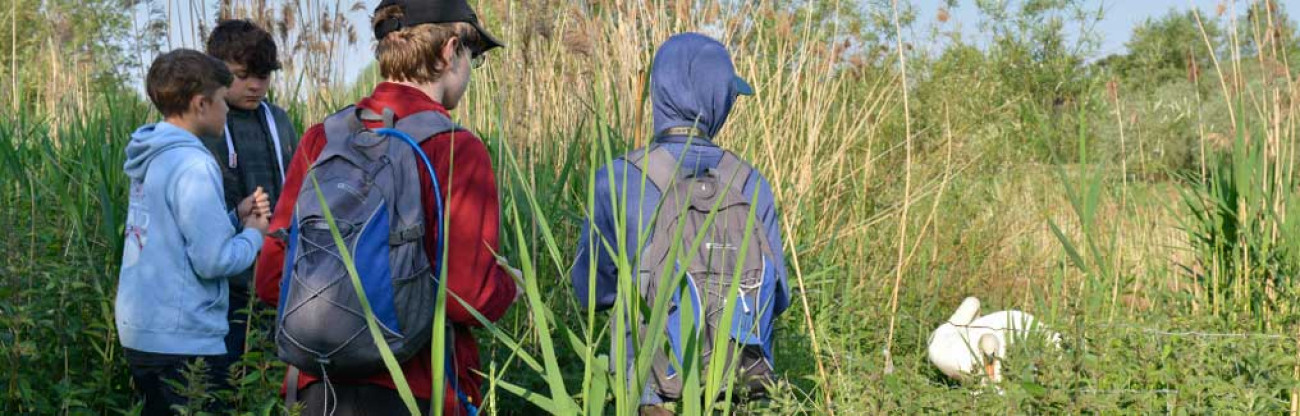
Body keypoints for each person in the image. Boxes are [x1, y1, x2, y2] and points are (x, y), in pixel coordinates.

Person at [253, 0, 518, 414]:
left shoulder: (322, 139)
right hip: (419, 389)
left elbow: (271, 279)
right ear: (450, 50)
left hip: (319, 391)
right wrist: (509, 287)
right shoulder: (455, 147)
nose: (471, 70)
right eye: (474, 56)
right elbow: (467, 296)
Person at [571, 33, 791, 415]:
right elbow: (778, 296)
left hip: (647, 393)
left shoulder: (617, 178)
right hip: (735, 387)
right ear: (717, 99)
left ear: (659, 92)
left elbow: (590, 293)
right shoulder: (751, 183)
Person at [116, 48, 271, 415]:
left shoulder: (150, 153)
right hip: (184, 340)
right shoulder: (195, 163)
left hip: (142, 332)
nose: (227, 109)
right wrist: (255, 234)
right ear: (201, 104)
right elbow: (213, 260)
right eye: (222, 100)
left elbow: (173, 234)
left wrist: (234, 217)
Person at [201, 18, 298, 367]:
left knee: (273, 373)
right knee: (227, 378)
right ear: (216, 72)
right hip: (226, 286)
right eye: (242, 76)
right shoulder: (203, 123)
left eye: (264, 76)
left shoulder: (279, 120)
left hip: (280, 278)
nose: (255, 86)